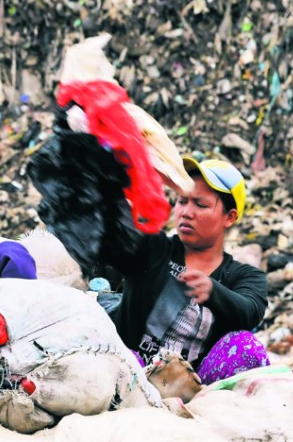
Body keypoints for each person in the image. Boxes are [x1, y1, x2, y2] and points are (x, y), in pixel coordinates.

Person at [104, 157, 268, 384]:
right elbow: (113, 229)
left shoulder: (245, 276)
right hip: (130, 371)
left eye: (200, 205)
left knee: (247, 346)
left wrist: (213, 291)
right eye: (182, 201)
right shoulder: (152, 248)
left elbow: (250, 311)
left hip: (193, 386)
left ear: (229, 217)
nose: (186, 212)